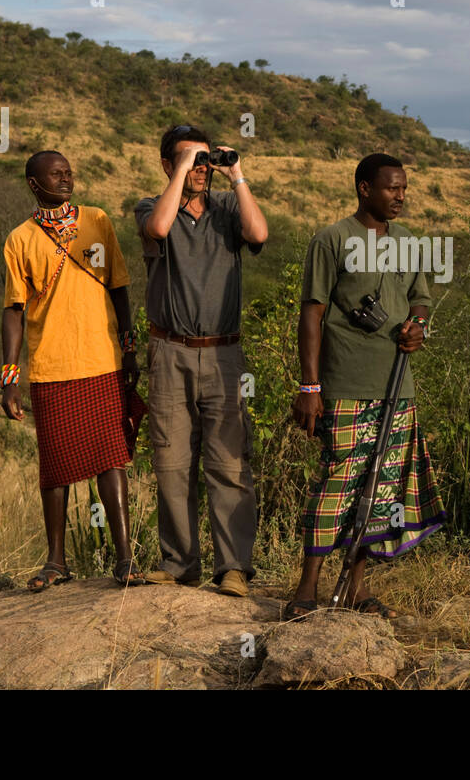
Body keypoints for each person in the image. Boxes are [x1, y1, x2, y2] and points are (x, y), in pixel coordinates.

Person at [286, 153, 447, 620]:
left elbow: (420, 299)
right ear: (363, 188)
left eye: (403, 189)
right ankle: (306, 590)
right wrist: (310, 387)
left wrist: (417, 327)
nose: (400, 197)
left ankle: (356, 589)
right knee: (337, 482)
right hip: (346, 381)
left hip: (398, 383)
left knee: (378, 488)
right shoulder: (332, 239)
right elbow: (311, 314)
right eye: (391, 188)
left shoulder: (410, 242)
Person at [1, 149, 146, 590]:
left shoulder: (98, 221)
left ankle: (124, 559)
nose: (66, 179)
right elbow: (13, 311)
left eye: (68, 172)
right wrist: (10, 379)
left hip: (101, 357)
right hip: (51, 365)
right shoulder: (20, 239)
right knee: (56, 467)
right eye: (56, 174)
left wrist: (129, 350)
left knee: (111, 458)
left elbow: (120, 287)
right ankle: (57, 561)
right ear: (34, 183)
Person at [134, 124, 269, 596]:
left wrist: (236, 175)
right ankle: (179, 562)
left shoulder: (229, 209)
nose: (201, 169)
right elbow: (158, 229)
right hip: (168, 350)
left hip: (222, 352)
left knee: (228, 462)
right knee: (172, 461)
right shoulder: (151, 206)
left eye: (206, 160)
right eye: (191, 160)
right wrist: (183, 174)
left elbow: (259, 232)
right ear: (168, 165)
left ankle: (234, 566)